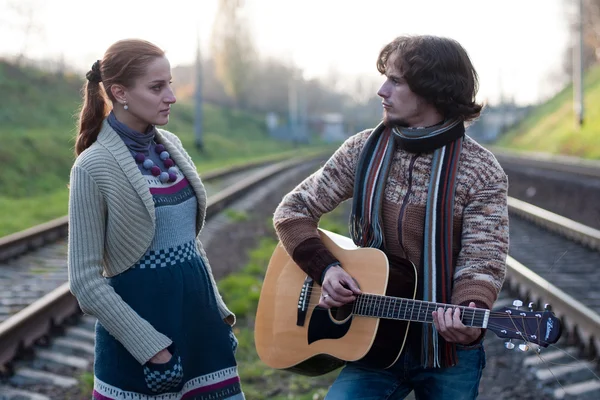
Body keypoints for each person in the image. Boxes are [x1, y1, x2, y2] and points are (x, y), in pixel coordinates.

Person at [272, 35, 509, 400]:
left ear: (433, 90)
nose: (381, 90)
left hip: (446, 355)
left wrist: (470, 313)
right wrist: (327, 269)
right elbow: (293, 211)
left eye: (396, 81)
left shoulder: (481, 171)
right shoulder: (361, 150)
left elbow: (483, 260)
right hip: (370, 342)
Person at [67, 39, 244, 400]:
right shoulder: (92, 166)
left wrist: (219, 315)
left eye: (170, 84)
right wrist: (152, 350)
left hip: (201, 333)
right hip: (142, 347)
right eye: (156, 87)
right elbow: (85, 282)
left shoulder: (173, 147)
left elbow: (189, 245)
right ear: (120, 92)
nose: (171, 97)